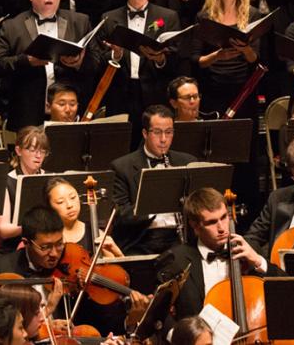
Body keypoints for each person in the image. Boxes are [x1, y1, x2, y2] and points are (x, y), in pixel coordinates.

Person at [0, 0, 95, 129]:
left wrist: (78, 63)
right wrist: (26, 61)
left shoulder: (80, 22)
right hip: (27, 111)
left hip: (69, 111)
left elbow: (97, 61)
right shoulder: (12, 26)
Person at [156, 187, 279, 319]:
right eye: (212, 222)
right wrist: (180, 335)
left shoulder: (249, 248)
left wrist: (258, 261)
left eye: (224, 217)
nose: (221, 228)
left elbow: (290, 291)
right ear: (195, 226)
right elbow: (157, 313)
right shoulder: (177, 259)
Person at [110, 105, 197, 254]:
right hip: (142, 241)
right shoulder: (122, 167)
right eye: (157, 132)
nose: (163, 139)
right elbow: (120, 214)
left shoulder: (188, 162)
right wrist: (153, 207)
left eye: (168, 132)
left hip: (180, 238)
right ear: (145, 133)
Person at [193, 0, 261, 115]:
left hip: (243, 88)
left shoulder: (253, 15)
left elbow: (254, 59)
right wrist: (217, 56)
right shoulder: (204, 17)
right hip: (213, 87)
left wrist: (246, 49)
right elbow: (196, 59)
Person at [0, 206, 68, 311]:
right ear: (26, 243)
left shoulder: (67, 259)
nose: (54, 254)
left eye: (59, 244)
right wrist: (48, 310)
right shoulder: (2, 270)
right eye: (45, 247)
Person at [0, 126, 48, 253]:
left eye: (42, 151)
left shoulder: (50, 178)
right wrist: (35, 227)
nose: (38, 156)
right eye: (32, 150)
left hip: (47, 245)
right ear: (18, 151)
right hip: (15, 248)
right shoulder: (5, 183)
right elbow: (3, 230)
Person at [44, 176, 122, 256]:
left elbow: (117, 267)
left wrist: (118, 254)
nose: (69, 205)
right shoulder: (47, 238)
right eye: (60, 202)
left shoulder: (97, 234)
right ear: (50, 207)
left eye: (73, 197)